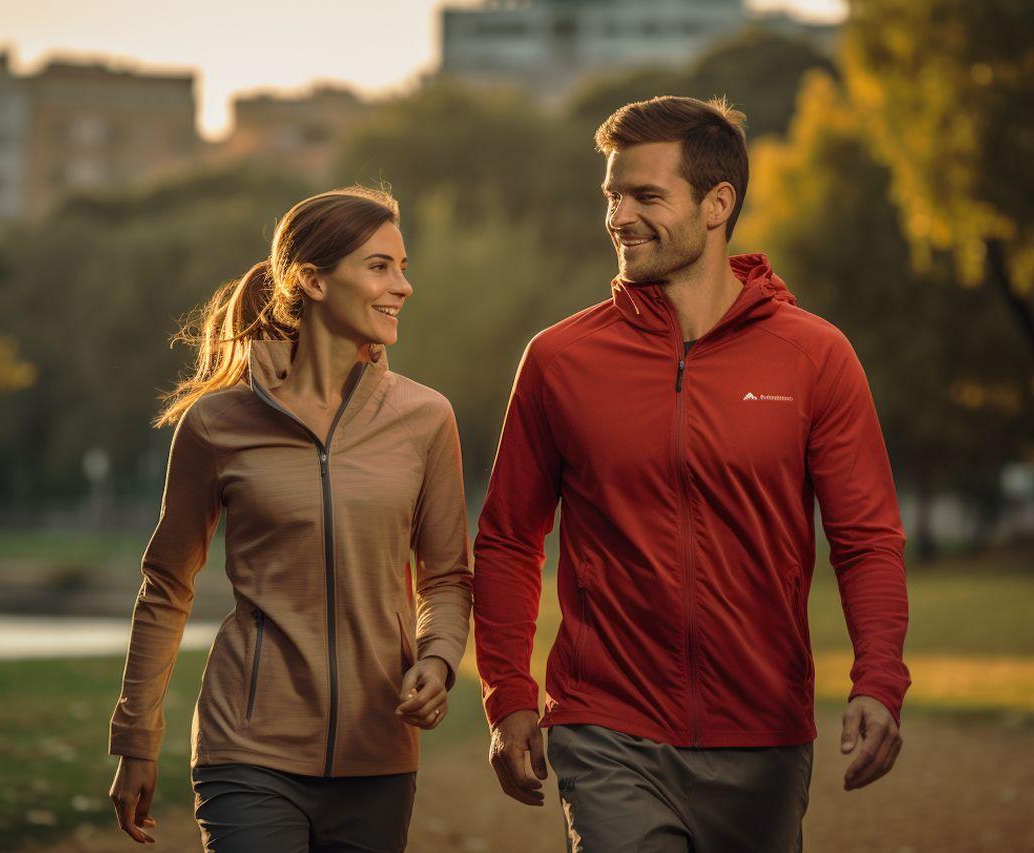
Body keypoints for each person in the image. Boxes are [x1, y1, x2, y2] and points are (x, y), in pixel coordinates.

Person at [473, 96, 910, 852]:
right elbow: (509, 537)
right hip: (606, 725)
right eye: (612, 195)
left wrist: (879, 681)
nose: (619, 217)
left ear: (717, 204)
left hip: (764, 733)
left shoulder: (815, 356)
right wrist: (509, 693)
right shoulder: (559, 359)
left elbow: (866, 540)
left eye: (645, 196)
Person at [106, 187, 473, 852]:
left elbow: (447, 576)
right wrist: (137, 736)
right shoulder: (217, 424)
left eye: (403, 266)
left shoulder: (425, 418)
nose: (403, 286)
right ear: (312, 281)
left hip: (378, 750)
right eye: (380, 267)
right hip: (246, 747)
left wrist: (439, 659)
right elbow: (166, 585)